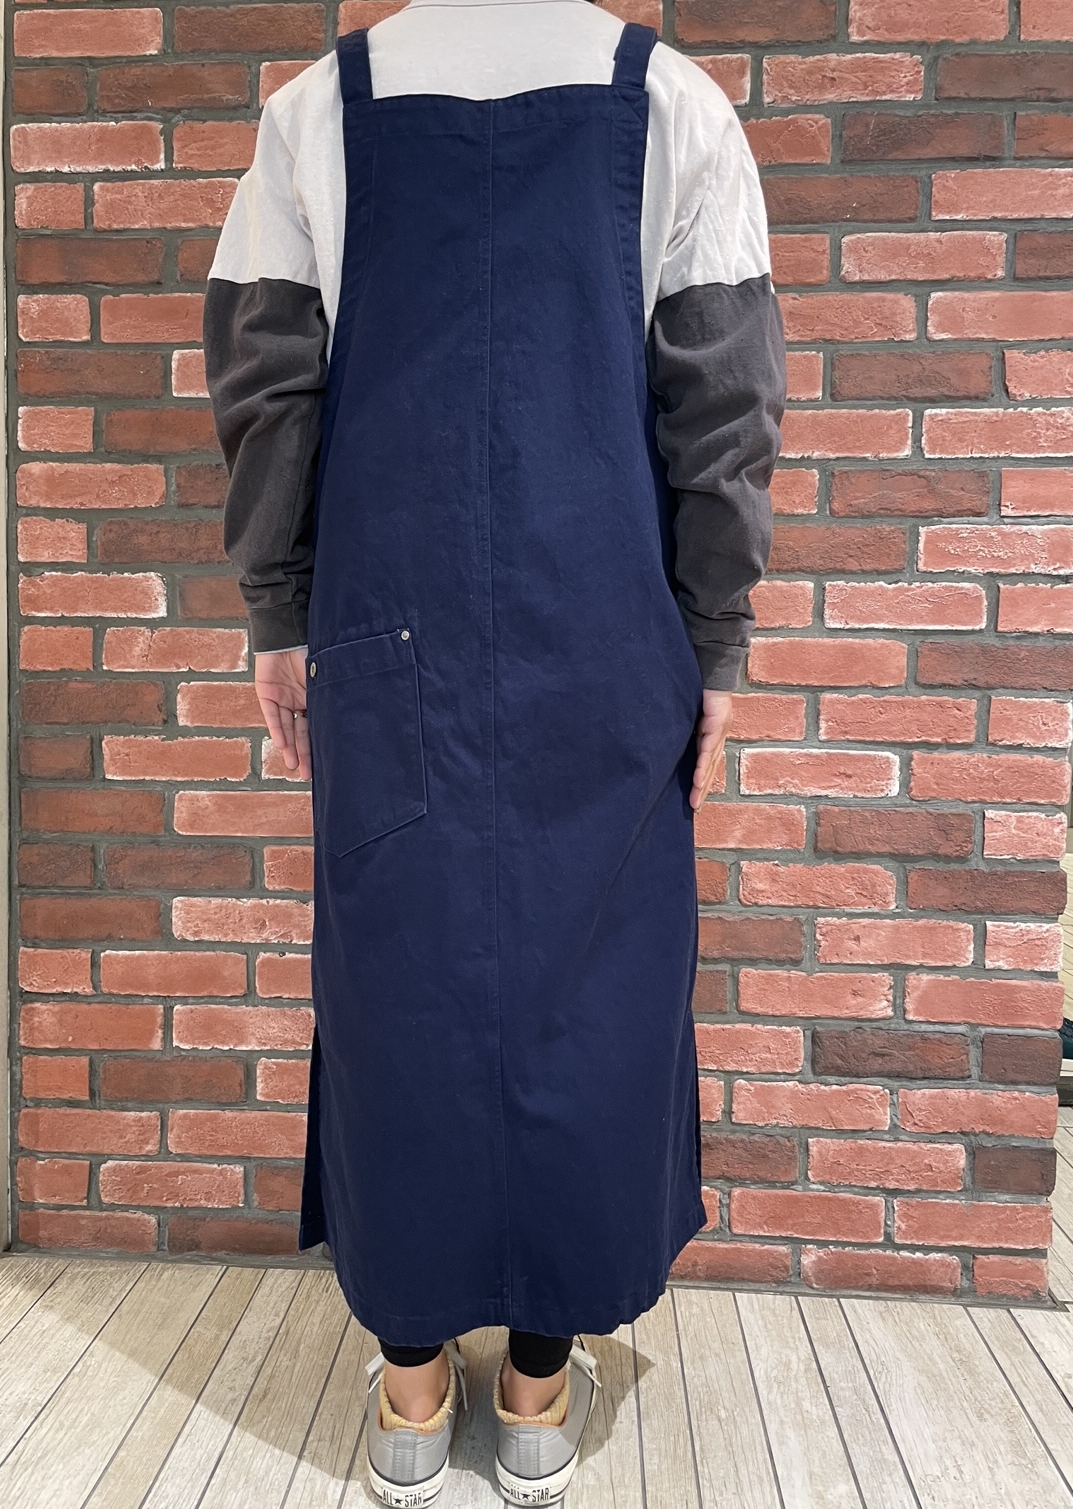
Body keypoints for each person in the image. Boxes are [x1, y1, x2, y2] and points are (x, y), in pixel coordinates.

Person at [202, 2, 785, 1503]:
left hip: (379, 633)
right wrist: (715, 639)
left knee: (394, 987)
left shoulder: (315, 113)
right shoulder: (676, 105)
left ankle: (410, 1394)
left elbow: (267, 388)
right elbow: (723, 409)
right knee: (598, 997)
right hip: (609, 638)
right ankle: (534, 1390)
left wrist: (279, 612)